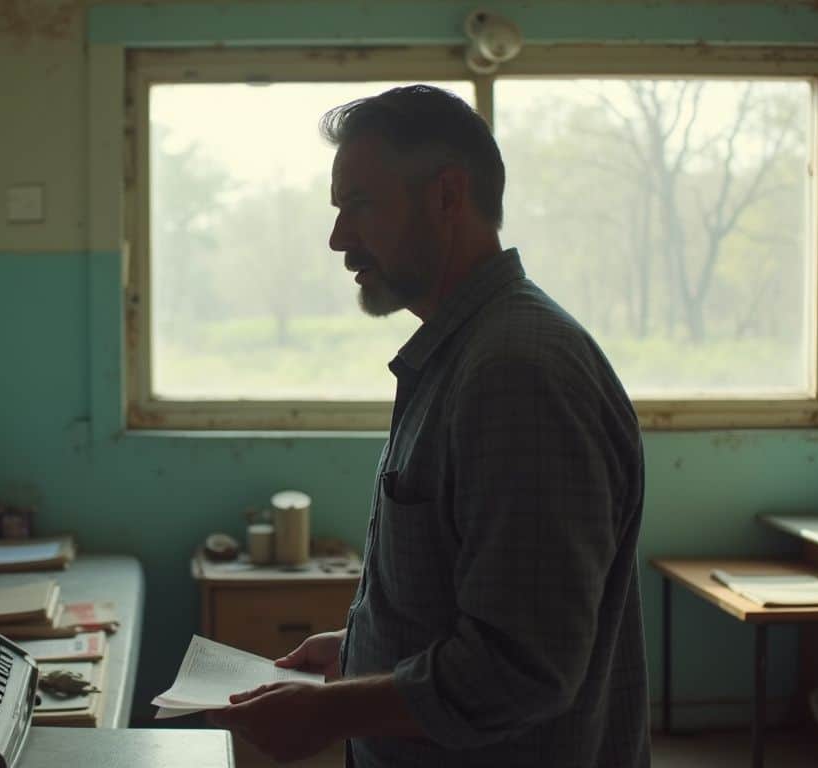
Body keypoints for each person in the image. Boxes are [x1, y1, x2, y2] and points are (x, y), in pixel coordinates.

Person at [209, 85, 650, 767]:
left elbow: (521, 669)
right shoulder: (466, 353)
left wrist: (333, 711)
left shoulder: (516, 374)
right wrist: (360, 652)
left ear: (447, 196)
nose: (337, 239)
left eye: (359, 206)